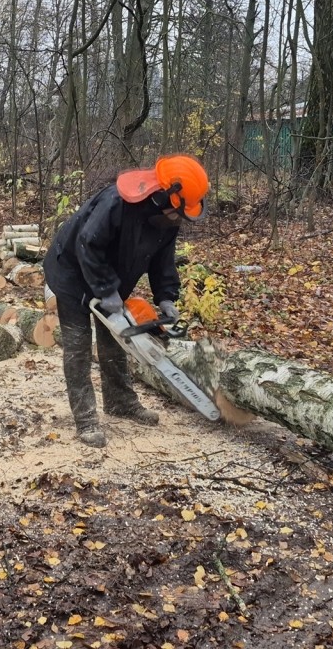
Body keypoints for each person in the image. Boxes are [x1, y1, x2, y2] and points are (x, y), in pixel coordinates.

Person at [42, 154, 209, 447]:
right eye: (178, 213)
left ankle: (120, 402)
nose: (179, 219)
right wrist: (106, 290)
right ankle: (85, 418)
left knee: (116, 340)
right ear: (164, 197)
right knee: (79, 345)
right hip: (71, 273)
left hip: (111, 277)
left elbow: (163, 259)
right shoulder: (116, 203)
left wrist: (166, 296)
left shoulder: (167, 218)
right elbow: (88, 244)